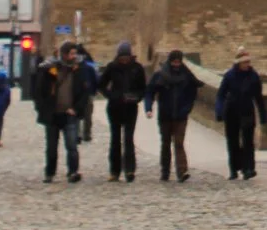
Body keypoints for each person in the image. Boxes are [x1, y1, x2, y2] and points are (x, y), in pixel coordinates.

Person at [32, 41, 87, 182]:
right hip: (53, 114)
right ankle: (50, 173)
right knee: (51, 147)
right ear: (64, 54)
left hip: (70, 114)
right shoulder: (50, 70)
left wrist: (76, 109)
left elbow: (84, 92)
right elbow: (39, 91)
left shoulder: (78, 70)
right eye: (71, 53)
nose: (74, 56)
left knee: (72, 146)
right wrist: (42, 108)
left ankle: (73, 172)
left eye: (75, 53)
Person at [143, 48, 200, 182]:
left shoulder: (186, 76)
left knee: (179, 143)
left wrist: (187, 109)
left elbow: (193, 93)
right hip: (165, 114)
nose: (176, 64)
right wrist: (148, 108)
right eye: (174, 62)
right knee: (166, 143)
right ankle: (165, 171)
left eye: (178, 62)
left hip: (181, 115)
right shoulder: (160, 76)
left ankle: (182, 170)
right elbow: (150, 92)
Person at [215, 48, 267, 181]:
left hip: (247, 110)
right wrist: (219, 111)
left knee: (248, 142)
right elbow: (221, 95)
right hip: (231, 110)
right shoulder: (230, 75)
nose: (247, 65)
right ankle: (234, 169)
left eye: (248, 62)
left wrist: (263, 114)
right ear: (239, 63)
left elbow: (258, 97)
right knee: (232, 141)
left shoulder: (253, 76)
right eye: (244, 62)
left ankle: (248, 168)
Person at [97, 41, 147, 182]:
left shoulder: (137, 68)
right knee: (115, 140)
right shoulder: (112, 67)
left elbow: (143, 88)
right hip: (114, 108)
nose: (124, 60)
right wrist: (111, 96)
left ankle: (130, 170)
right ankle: (114, 171)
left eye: (126, 57)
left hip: (130, 108)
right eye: (121, 57)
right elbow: (101, 85)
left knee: (129, 139)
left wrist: (136, 97)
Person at [75, 43, 98, 143]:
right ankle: (77, 135)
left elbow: (95, 79)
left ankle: (86, 134)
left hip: (87, 94)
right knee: (76, 116)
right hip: (76, 94)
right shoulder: (73, 67)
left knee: (87, 116)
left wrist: (93, 91)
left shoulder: (88, 67)